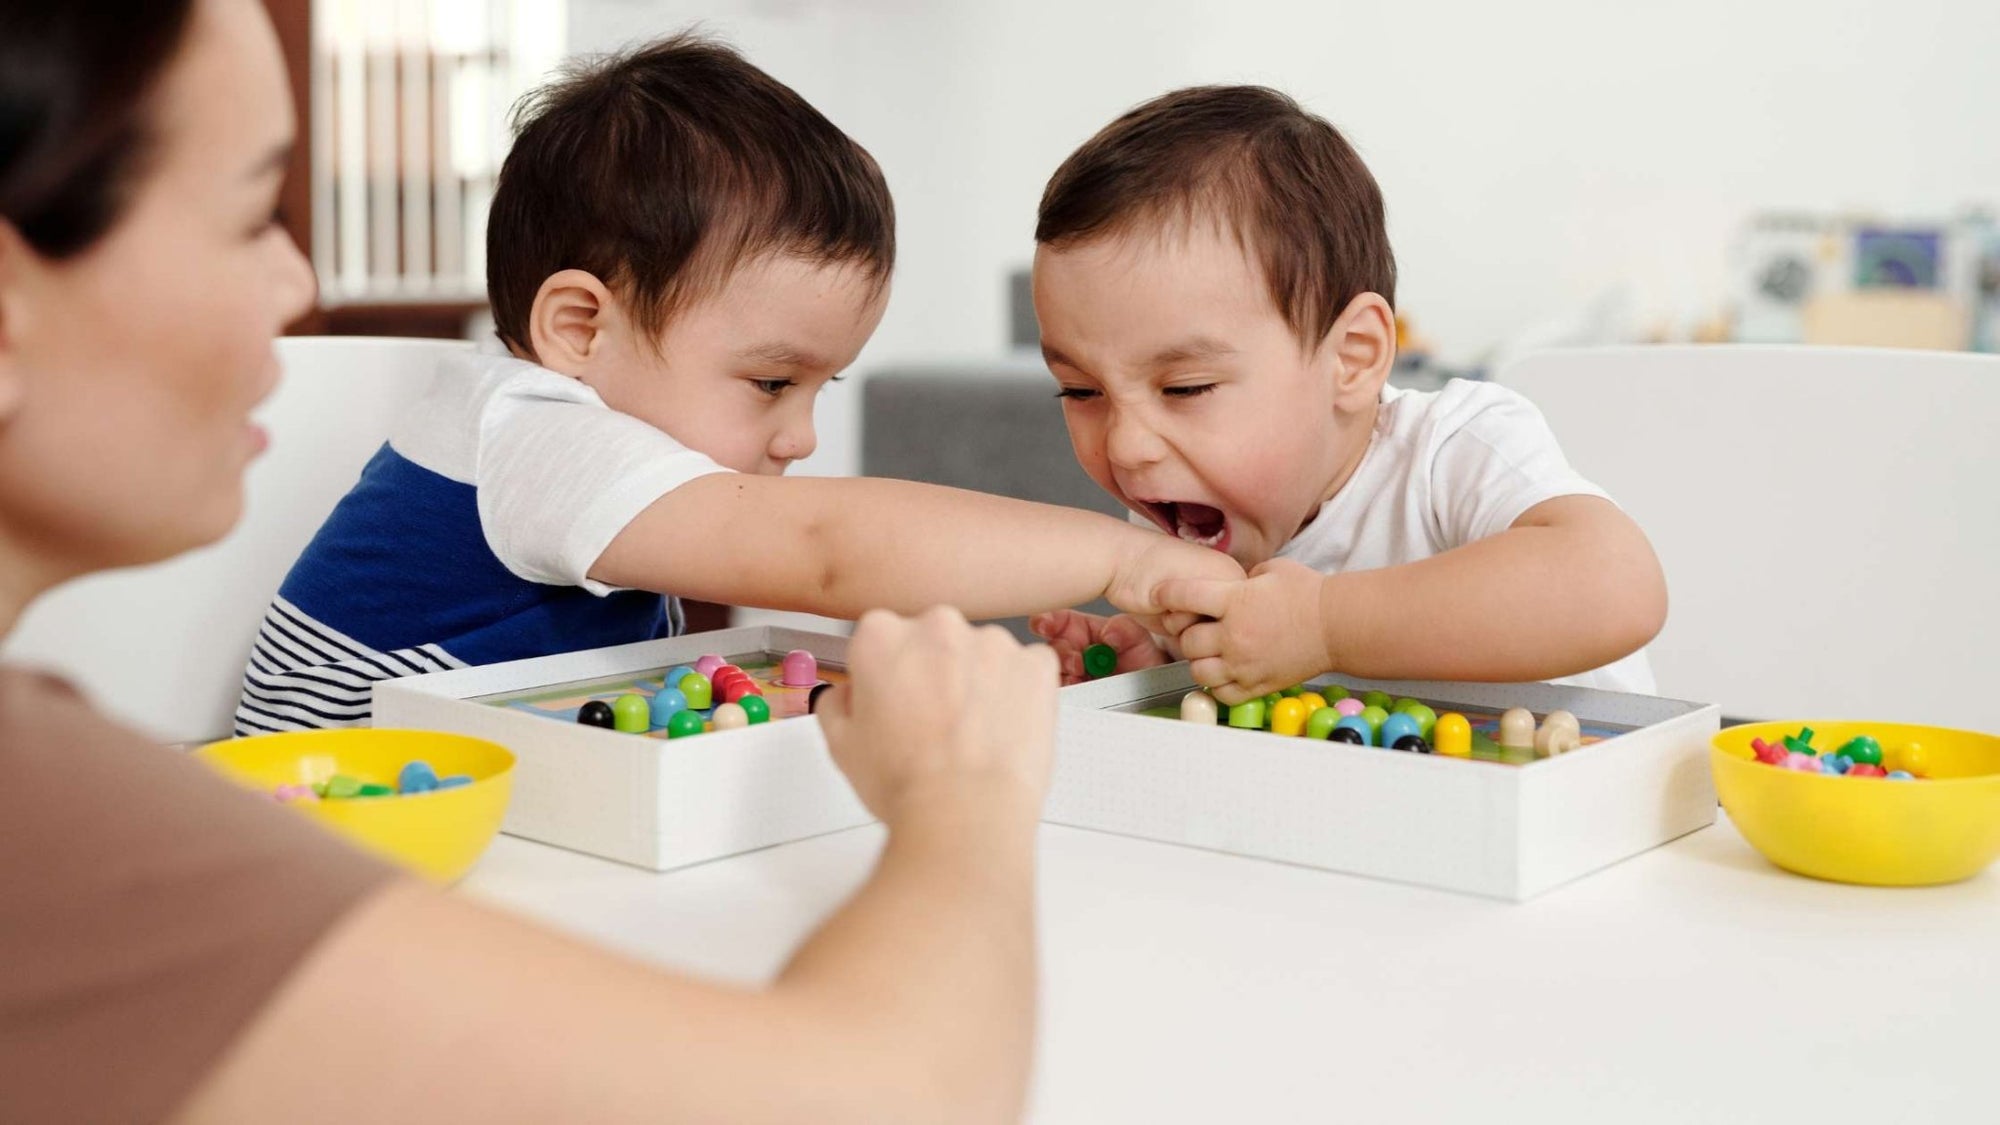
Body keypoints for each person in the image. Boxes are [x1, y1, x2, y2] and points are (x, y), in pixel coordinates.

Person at [0, 3, 1052, 1121]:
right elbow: (876, 1098)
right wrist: (961, 804)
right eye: (251, 212)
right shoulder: (535, 431)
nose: (300, 285)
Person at [232, 33, 1241, 734]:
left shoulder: (582, 442)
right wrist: (1117, 560)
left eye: (820, 386)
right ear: (578, 328)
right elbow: (827, 553)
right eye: (769, 382)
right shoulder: (533, 434)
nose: (798, 435)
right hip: (335, 828)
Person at [1027, 85, 1667, 702]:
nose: (1127, 445)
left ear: (1351, 359)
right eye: (1080, 391)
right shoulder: (1180, 514)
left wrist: (1323, 626)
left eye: (1186, 388)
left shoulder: (1452, 451)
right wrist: (1156, 669)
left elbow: (1616, 585)